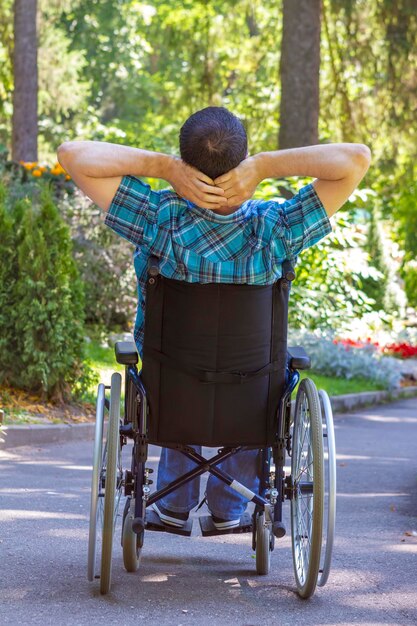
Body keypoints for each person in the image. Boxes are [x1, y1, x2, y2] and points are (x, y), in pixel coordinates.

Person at [57, 106, 371, 530]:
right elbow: (357, 159)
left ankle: (172, 504)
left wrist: (164, 168)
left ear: (186, 161)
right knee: (254, 385)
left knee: (175, 371)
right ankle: (230, 508)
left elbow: (72, 154)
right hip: (252, 398)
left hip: (170, 395)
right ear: (241, 161)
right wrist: (263, 166)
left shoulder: (158, 219)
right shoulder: (276, 228)